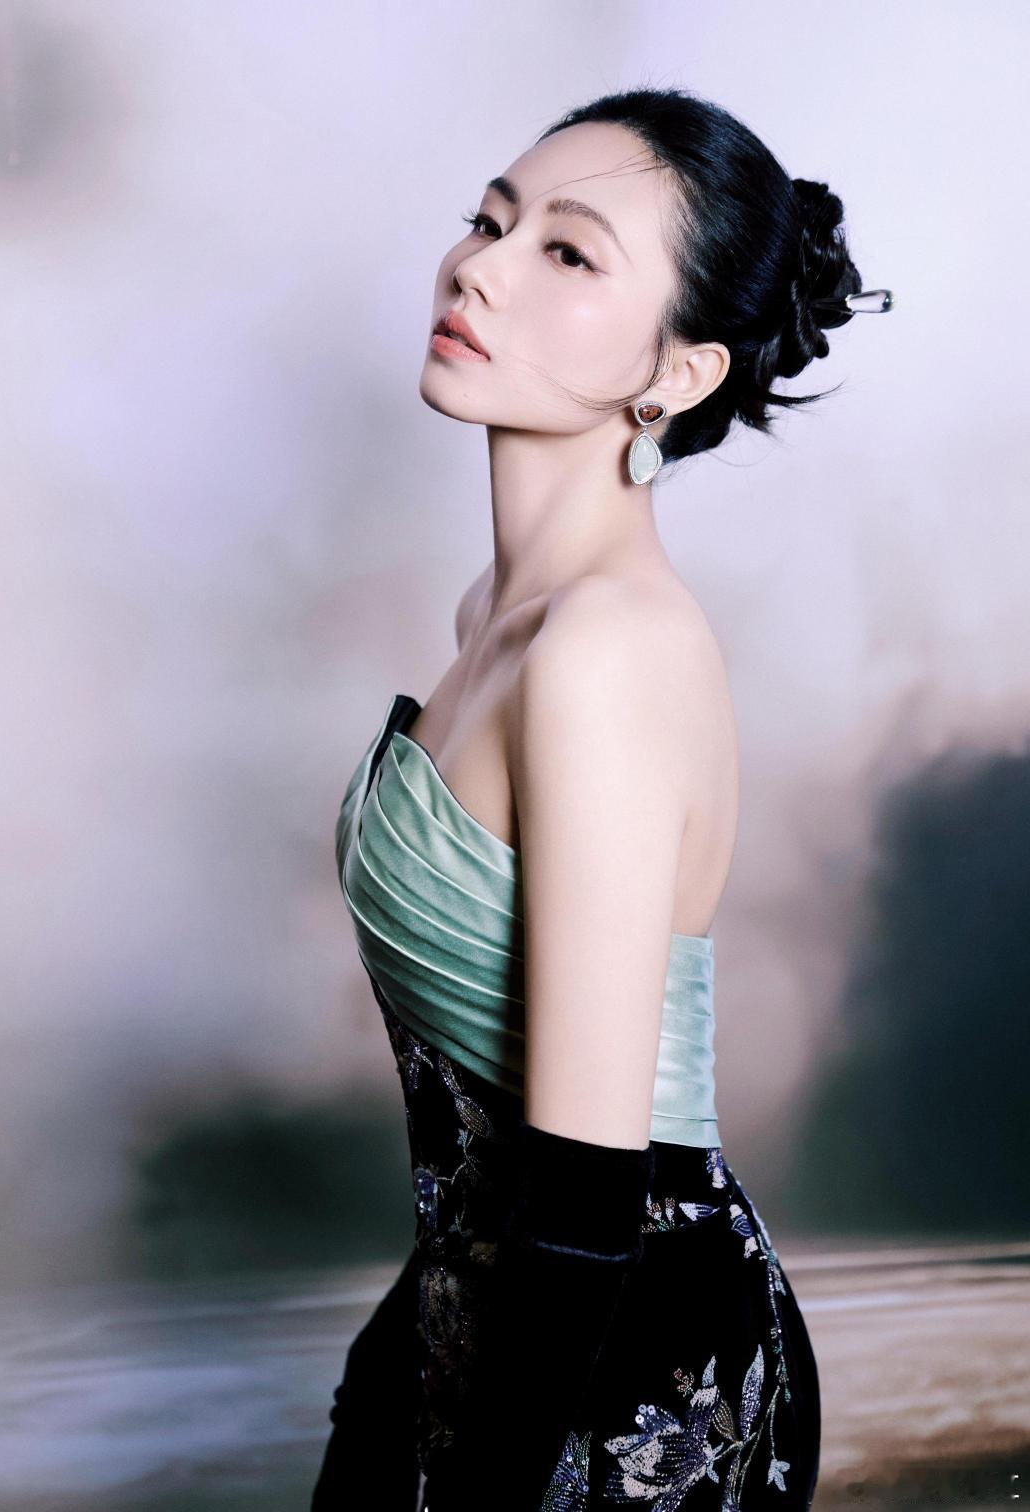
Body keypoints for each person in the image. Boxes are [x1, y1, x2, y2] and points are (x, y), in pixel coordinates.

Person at [313, 85, 893, 1512]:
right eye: (488, 222)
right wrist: (396, 1364)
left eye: (567, 252)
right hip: (498, 1314)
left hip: (622, 1358)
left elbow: (583, 1193)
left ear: (678, 374)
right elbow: (489, 1157)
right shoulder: (494, 616)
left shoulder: (604, 652)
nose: (478, 269)